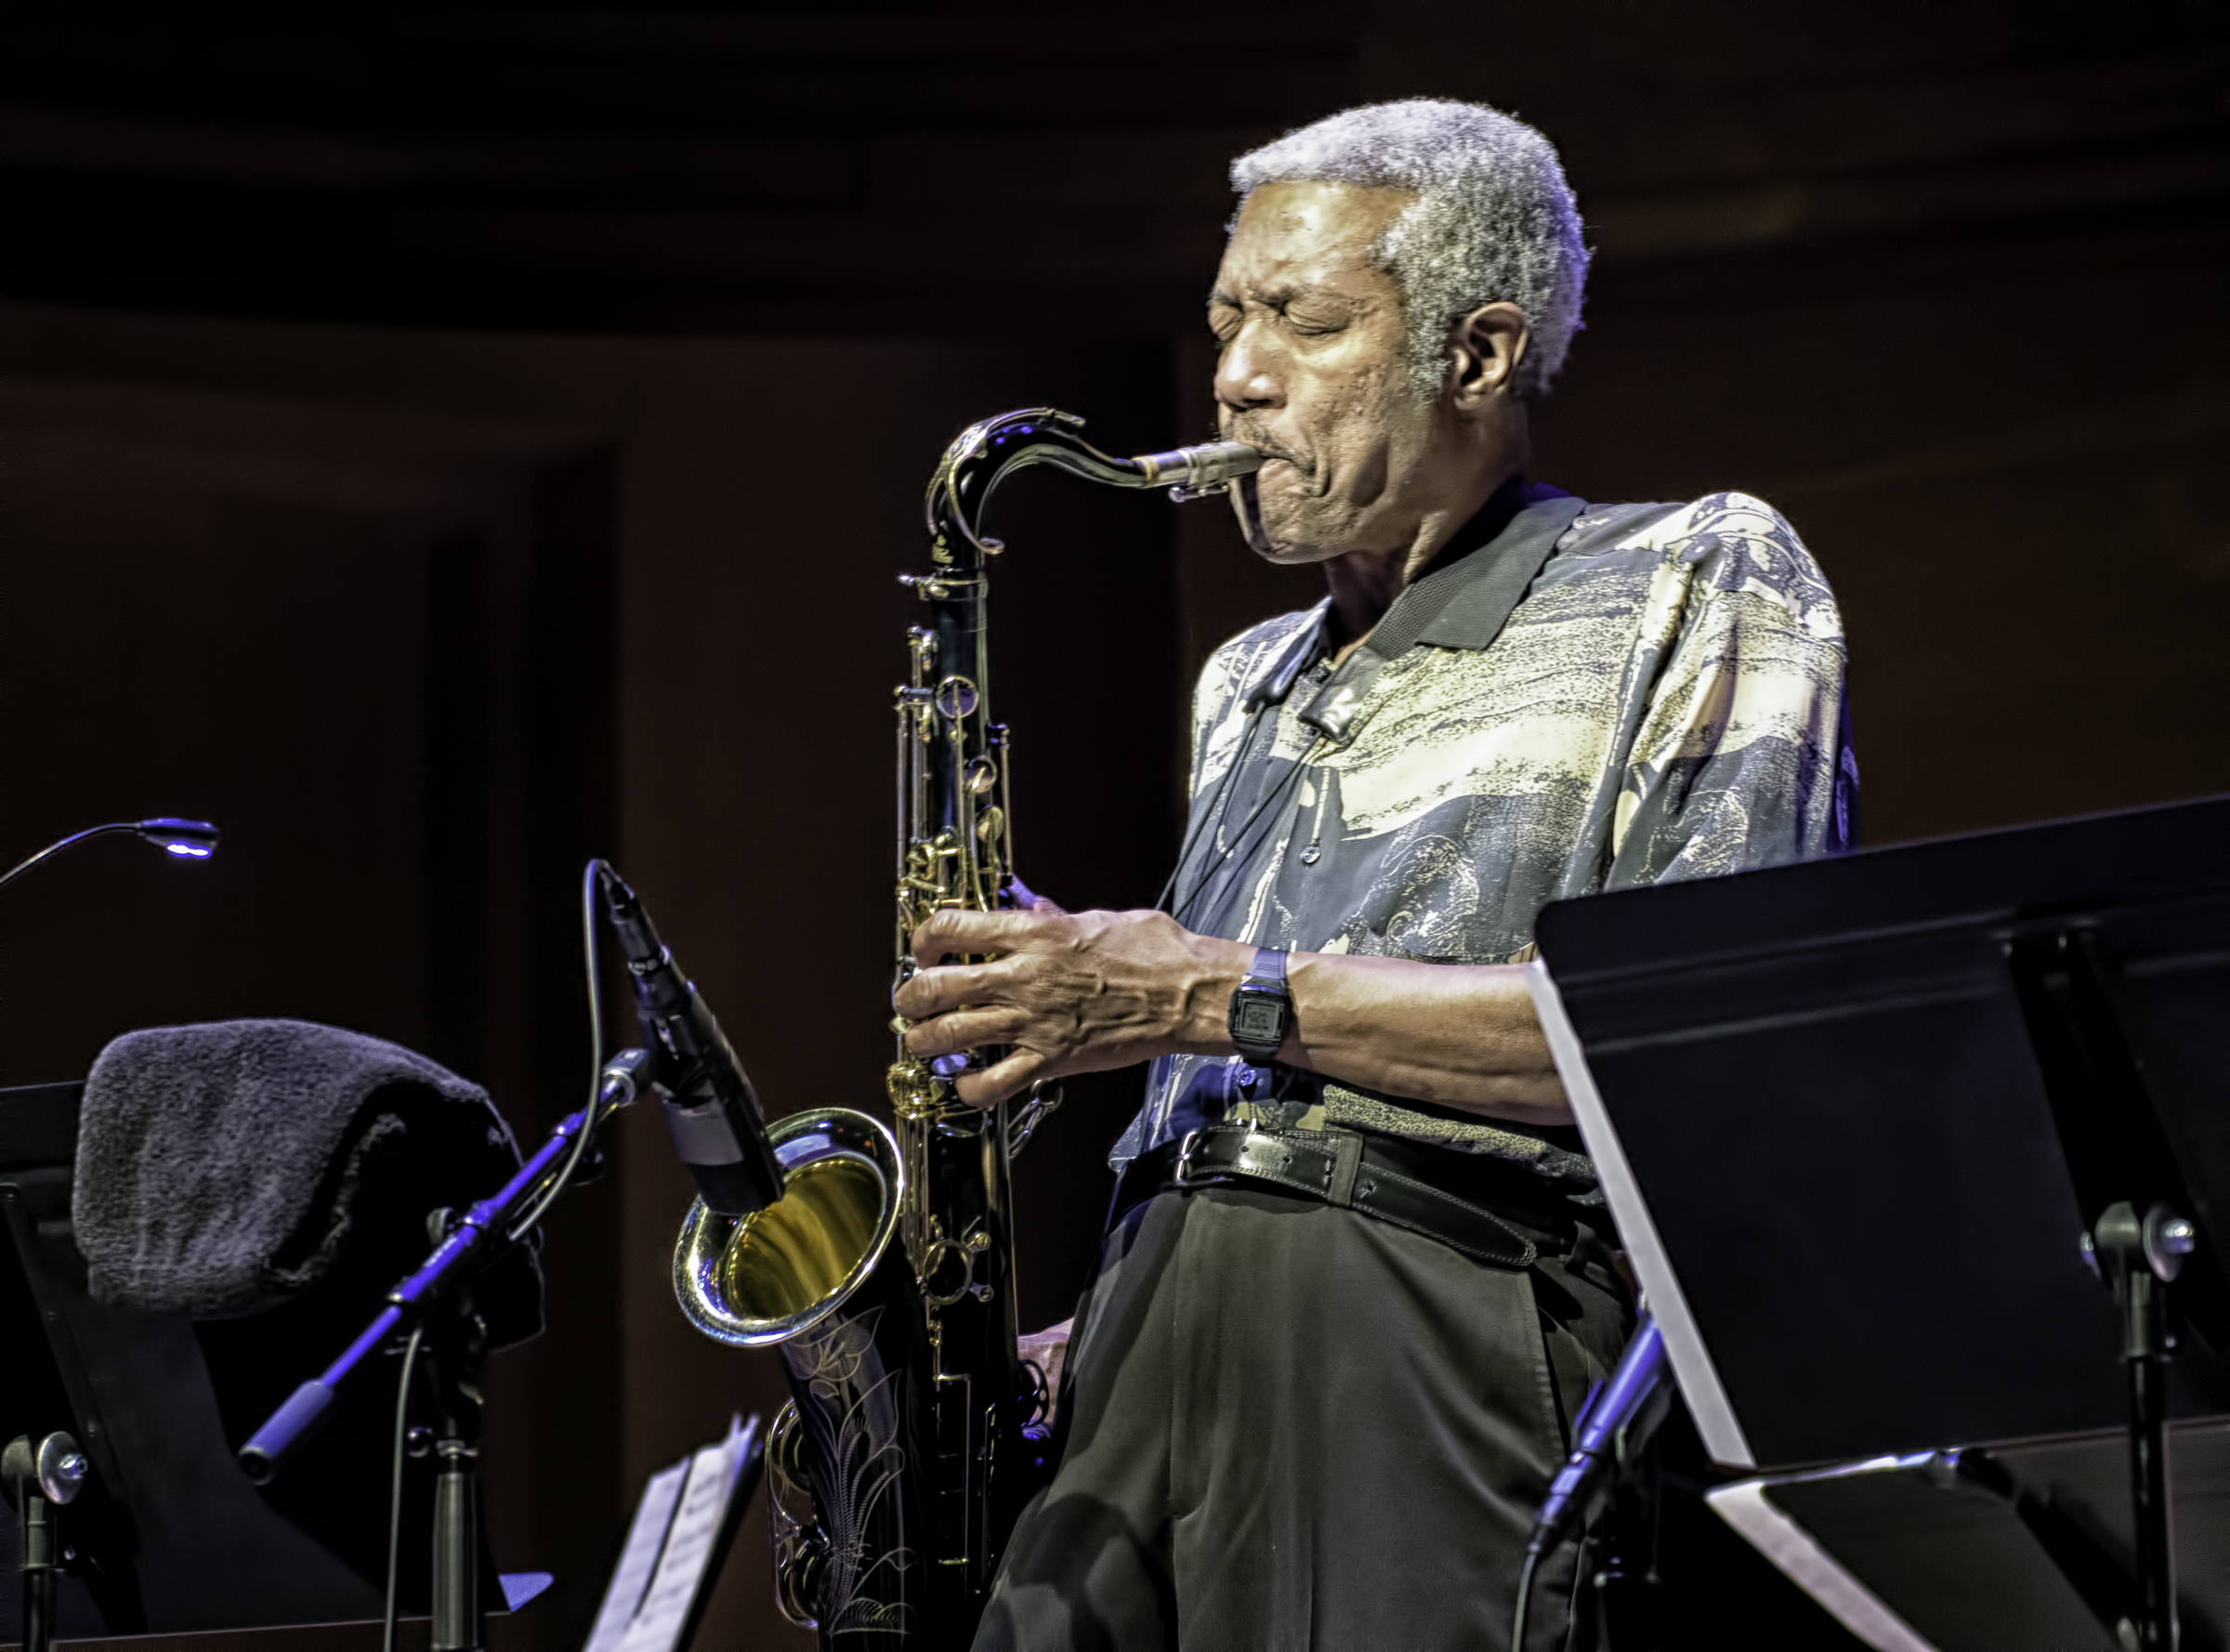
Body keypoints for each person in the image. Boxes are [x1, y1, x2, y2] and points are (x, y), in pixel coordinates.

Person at [894, 98, 1857, 1651]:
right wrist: (1092, 1329)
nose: (1235, 376)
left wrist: (1205, 990)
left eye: (1303, 320)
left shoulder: (1692, 573)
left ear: (1478, 353)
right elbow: (1242, 1099)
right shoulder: (1246, 679)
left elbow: (1704, 1046)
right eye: (1226, 321)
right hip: (1151, 1380)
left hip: (1442, 1354)